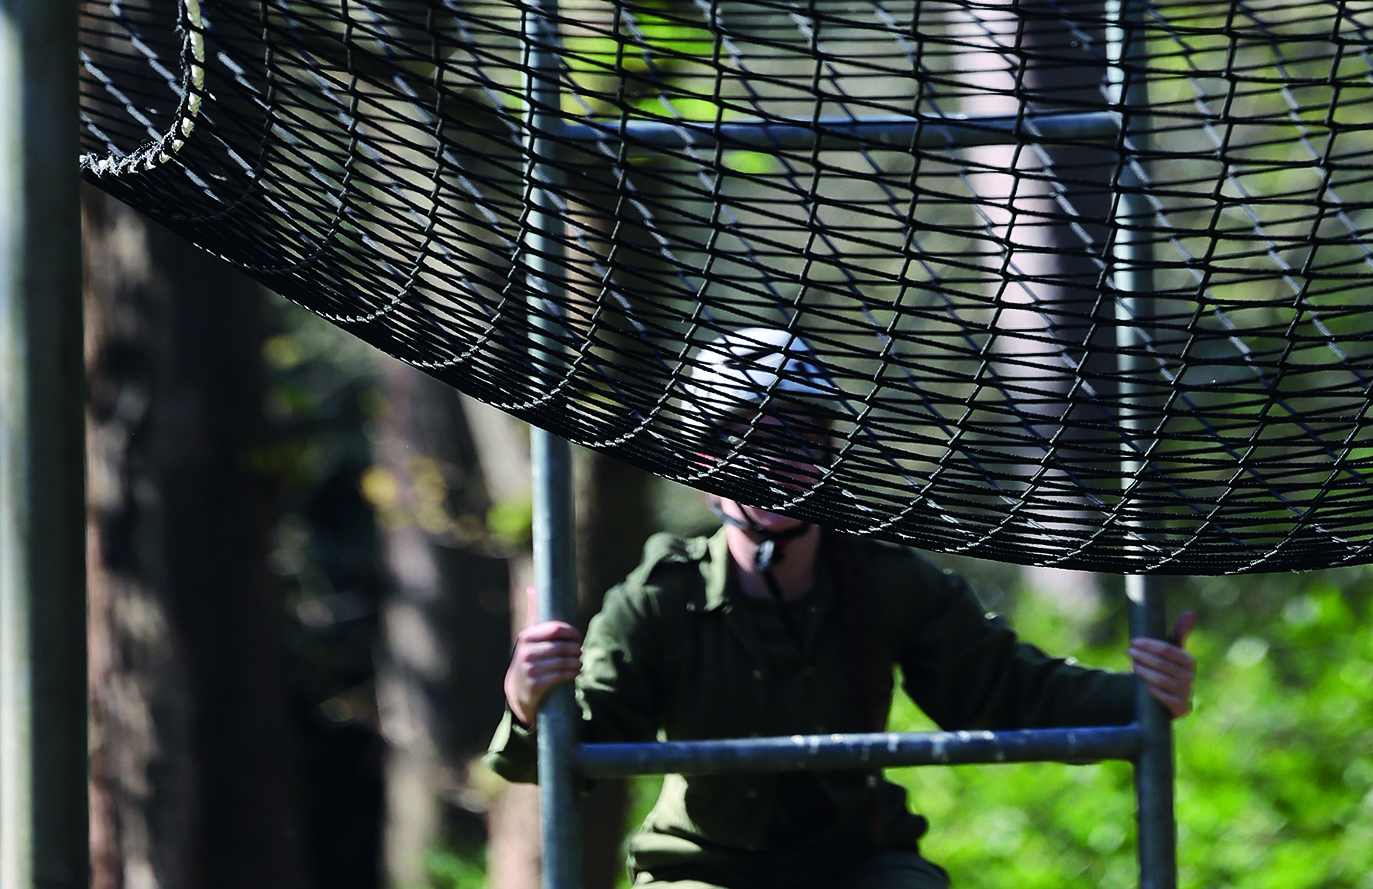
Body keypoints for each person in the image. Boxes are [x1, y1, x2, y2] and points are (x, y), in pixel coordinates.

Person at [489, 324, 1196, 889]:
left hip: (861, 862)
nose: (774, 466)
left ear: (829, 453)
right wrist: (530, 703)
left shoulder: (885, 578)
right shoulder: (661, 596)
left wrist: (1141, 694)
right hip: (703, 868)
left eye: (797, 439)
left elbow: (998, 685)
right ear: (705, 462)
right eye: (748, 441)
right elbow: (575, 746)